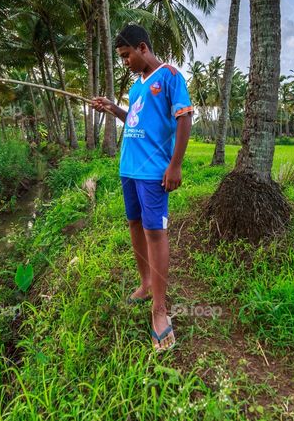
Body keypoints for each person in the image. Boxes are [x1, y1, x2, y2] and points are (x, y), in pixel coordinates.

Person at [91, 24, 193, 352]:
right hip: (129, 168)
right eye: (122, 57)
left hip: (152, 171)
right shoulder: (137, 86)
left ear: (143, 48)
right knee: (134, 224)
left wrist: (175, 165)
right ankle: (146, 283)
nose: (125, 62)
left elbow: (184, 118)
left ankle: (159, 309)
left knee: (155, 233)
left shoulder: (170, 76)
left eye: (126, 55)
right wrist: (112, 108)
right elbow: (134, 121)